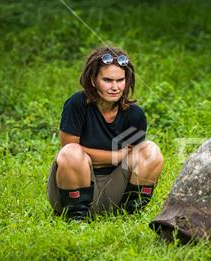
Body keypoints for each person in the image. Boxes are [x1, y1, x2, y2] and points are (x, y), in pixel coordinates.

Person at [47, 46, 164, 220]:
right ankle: (76, 219)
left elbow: (135, 160)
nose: (115, 87)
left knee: (151, 151)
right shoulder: (77, 104)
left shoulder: (134, 114)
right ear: (93, 80)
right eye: (107, 80)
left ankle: (129, 214)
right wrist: (115, 156)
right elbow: (69, 150)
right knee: (72, 152)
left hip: (114, 190)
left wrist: (116, 157)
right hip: (73, 190)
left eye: (120, 80)